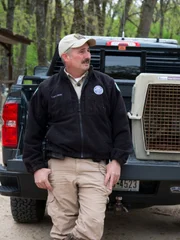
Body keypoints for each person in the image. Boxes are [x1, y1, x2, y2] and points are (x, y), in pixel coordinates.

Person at [23, 33, 132, 240]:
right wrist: (36, 167)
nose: (87, 55)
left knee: (92, 224)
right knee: (62, 225)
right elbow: (32, 132)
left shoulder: (107, 85)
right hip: (60, 167)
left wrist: (117, 160)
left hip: (95, 166)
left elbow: (121, 127)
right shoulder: (48, 88)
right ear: (66, 56)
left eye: (88, 50)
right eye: (81, 51)